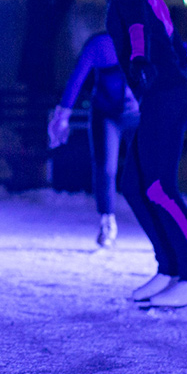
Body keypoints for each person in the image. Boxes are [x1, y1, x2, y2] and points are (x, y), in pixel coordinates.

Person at [98, 0, 187, 310]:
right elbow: (177, 48)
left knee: (160, 188)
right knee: (135, 185)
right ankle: (171, 270)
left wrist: (139, 59)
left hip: (165, 97)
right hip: (168, 96)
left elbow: (135, 28)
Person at [47, 32, 140, 247]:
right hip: (106, 115)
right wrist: (62, 116)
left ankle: (159, 221)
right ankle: (107, 221)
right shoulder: (100, 44)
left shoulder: (144, 37)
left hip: (137, 115)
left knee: (145, 167)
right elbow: (77, 78)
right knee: (106, 168)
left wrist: (183, 60)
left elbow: (185, 50)